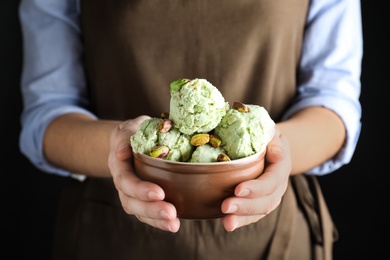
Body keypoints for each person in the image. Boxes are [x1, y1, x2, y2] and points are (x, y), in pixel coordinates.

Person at [18, 0, 363, 259]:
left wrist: (275, 153)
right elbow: (47, 115)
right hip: (111, 234)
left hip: (275, 240)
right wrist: (118, 148)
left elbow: (332, 102)